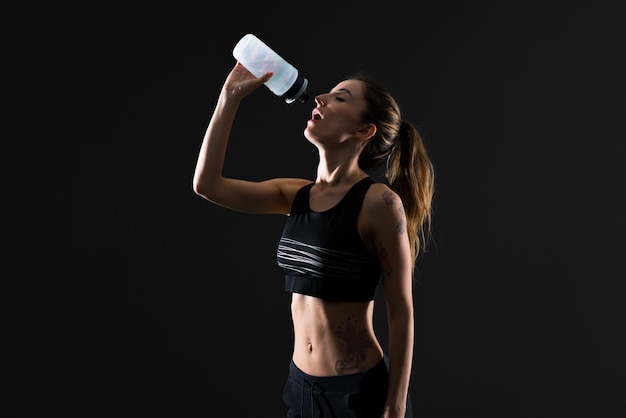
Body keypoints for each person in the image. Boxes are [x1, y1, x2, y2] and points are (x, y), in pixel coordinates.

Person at [192, 61, 434, 418]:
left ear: (365, 130)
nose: (319, 98)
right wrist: (229, 97)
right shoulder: (295, 195)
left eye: (339, 98)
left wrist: (395, 407)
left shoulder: (380, 204)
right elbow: (207, 185)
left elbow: (401, 311)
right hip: (301, 391)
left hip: (359, 396)